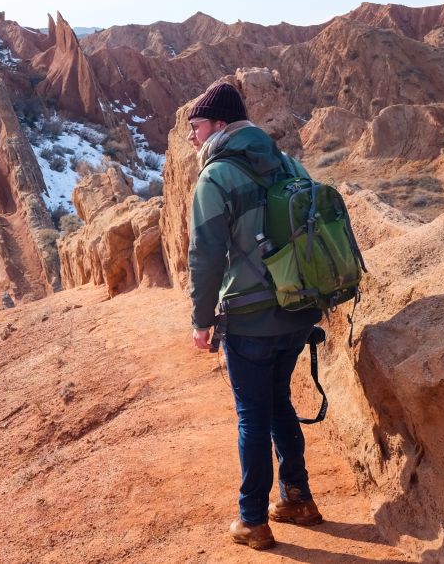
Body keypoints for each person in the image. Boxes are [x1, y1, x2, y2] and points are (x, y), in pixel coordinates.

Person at [185, 82, 325, 550]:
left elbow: (205, 256)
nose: (191, 136)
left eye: (197, 126)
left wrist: (200, 320)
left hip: (249, 318)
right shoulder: (286, 163)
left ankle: (252, 519)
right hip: (298, 311)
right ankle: (297, 497)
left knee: (251, 415)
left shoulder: (216, 177)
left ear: (220, 126)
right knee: (278, 402)